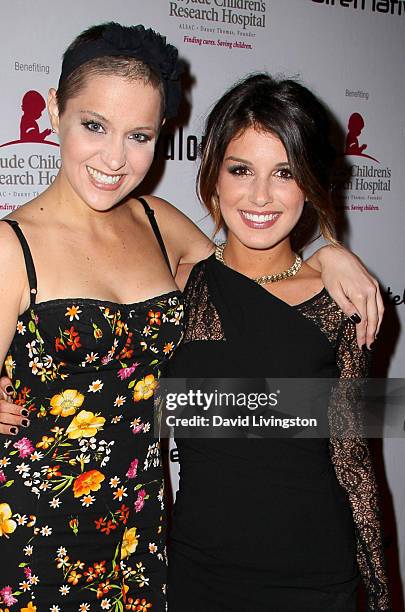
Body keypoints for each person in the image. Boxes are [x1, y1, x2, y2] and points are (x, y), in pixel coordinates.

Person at [0, 22, 383, 612]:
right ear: (53, 110)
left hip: (142, 547)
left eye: (140, 135)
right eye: (94, 126)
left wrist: (328, 252)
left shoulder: (156, 222)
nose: (114, 158)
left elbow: (250, 275)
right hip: (28, 544)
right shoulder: (4, 248)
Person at [165, 74, 390, 611]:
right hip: (200, 575)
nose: (260, 196)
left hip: (313, 578)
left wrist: (380, 594)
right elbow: (106, 391)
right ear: (213, 176)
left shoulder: (338, 301)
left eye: (284, 173)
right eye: (241, 170)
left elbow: (353, 459)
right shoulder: (176, 286)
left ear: (310, 183)